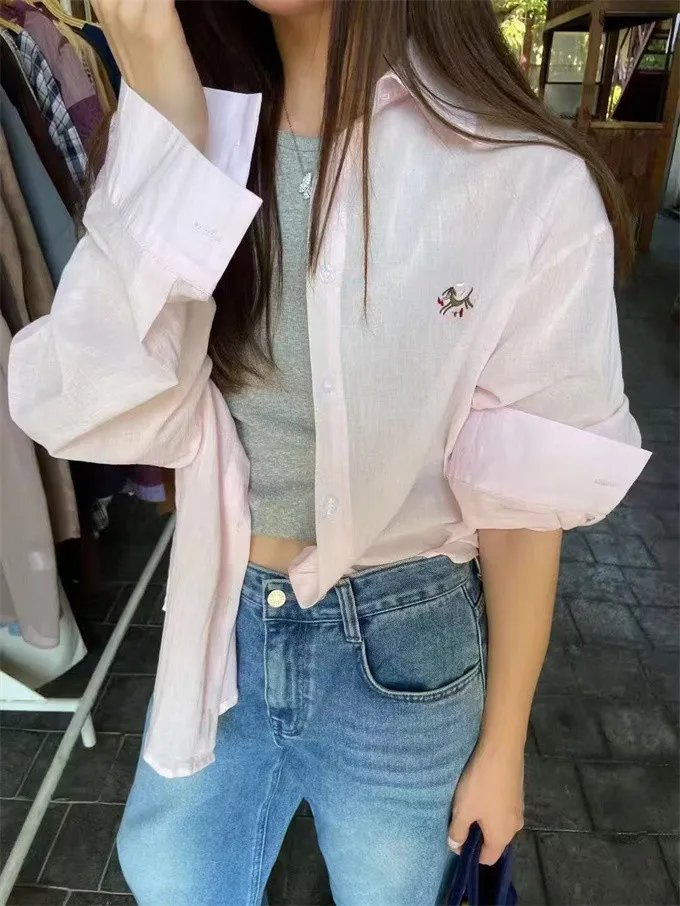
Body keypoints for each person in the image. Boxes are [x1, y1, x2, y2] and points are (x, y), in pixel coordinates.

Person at [8, 1, 651, 904]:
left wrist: (505, 746)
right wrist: (166, 119)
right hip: (221, 622)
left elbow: (521, 509)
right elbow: (82, 411)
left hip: (407, 645)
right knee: (172, 880)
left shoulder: (521, 178)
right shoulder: (194, 134)